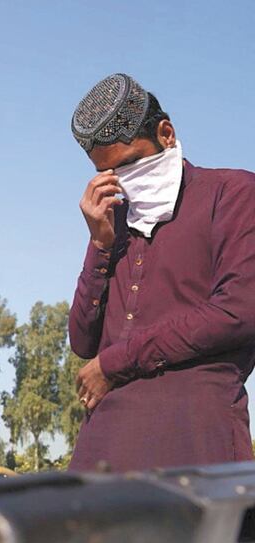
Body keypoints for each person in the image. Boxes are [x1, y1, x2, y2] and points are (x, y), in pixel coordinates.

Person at [68, 73, 255, 471]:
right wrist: (99, 246)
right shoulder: (114, 220)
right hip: (105, 445)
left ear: (166, 134)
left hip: (196, 440)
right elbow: (83, 342)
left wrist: (115, 362)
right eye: (112, 174)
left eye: (131, 162)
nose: (126, 180)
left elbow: (238, 313)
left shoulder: (233, 193)